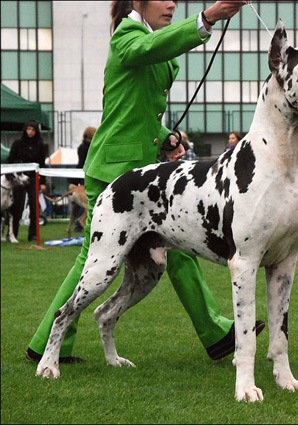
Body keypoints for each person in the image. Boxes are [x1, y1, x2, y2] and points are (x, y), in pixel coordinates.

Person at [26, 0, 265, 364]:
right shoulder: (127, 35)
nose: (171, 3)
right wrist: (208, 18)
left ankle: (217, 334)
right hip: (113, 167)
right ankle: (47, 342)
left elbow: (137, 110)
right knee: (90, 262)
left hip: (143, 172)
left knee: (183, 250)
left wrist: (167, 135)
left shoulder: (149, 39)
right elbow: (149, 51)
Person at [7, 120, 47, 241]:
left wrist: (43, 182)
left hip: (33, 178)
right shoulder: (17, 144)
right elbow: (10, 161)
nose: (30, 132)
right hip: (19, 178)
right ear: (25, 130)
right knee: (17, 206)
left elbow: (42, 164)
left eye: (33, 130)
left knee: (34, 206)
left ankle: (33, 234)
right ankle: (13, 233)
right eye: (29, 129)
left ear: (36, 131)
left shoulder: (40, 144)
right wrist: (11, 178)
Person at [70, 126, 97, 231]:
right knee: (86, 204)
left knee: (78, 207)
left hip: (80, 175)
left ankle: (78, 225)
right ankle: (81, 223)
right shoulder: (90, 147)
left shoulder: (81, 147)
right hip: (85, 175)